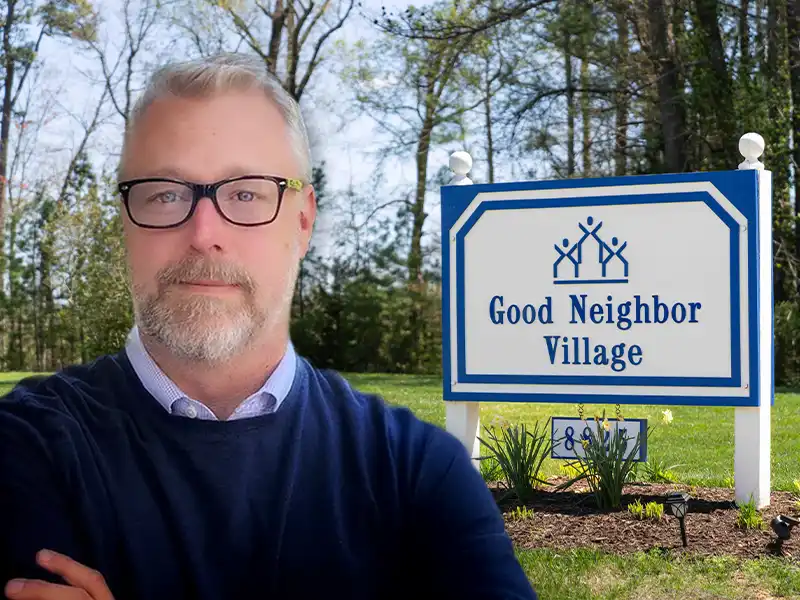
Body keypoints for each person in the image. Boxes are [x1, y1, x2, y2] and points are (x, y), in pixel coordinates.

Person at [0, 53, 537, 600]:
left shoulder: (416, 471)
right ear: (126, 223)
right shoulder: (24, 449)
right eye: (165, 193)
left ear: (303, 221)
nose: (204, 232)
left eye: (246, 193)